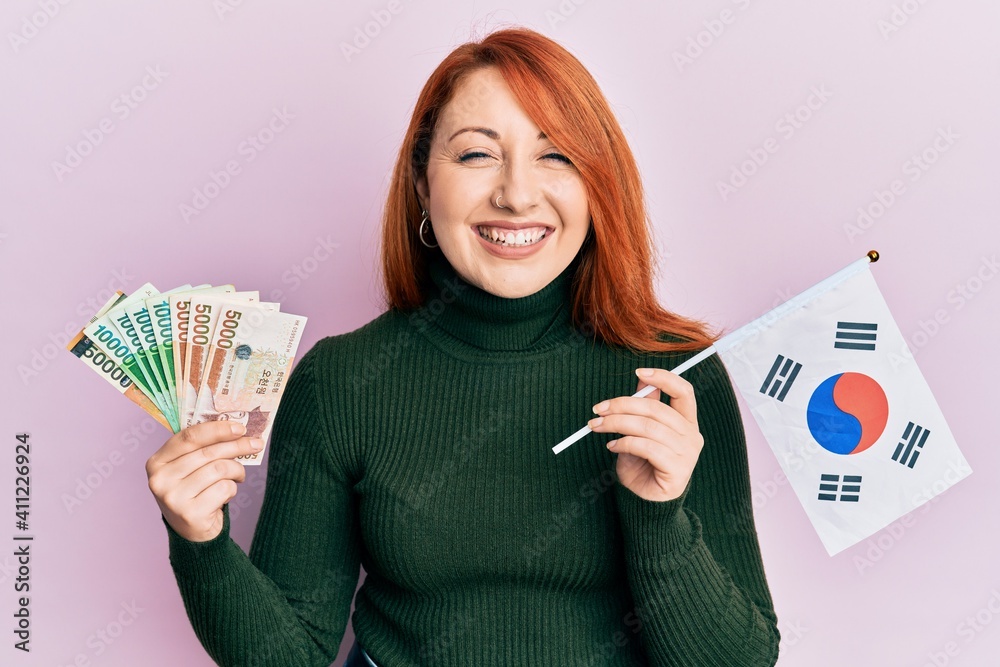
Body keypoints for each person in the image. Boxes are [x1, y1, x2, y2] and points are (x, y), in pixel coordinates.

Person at [146, 26, 781, 667]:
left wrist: (657, 515)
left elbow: (742, 662)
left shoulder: (673, 376)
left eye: (555, 155)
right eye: (477, 155)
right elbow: (293, 656)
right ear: (423, 183)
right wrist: (199, 541)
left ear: (596, 186)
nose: (516, 194)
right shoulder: (340, 382)